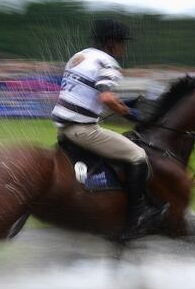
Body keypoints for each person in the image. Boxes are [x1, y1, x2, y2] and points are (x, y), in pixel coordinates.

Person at [52, 19, 167, 240]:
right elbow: (105, 96)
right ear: (112, 43)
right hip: (83, 131)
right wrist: (129, 113)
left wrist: (123, 102)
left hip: (63, 127)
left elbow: (88, 96)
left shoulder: (80, 57)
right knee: (138, 155)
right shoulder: (108, 63)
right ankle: (137, 217)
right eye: (122, 43)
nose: (123, 48)